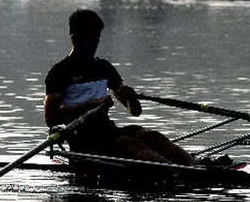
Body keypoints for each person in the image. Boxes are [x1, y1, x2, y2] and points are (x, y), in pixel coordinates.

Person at [43, 9, 194, 165]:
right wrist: (88, 106)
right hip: (83, 140)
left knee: (152, 136)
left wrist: (131, 98)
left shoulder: (103, 67)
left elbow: (135, 111)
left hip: (108, 131)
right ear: (74, 39)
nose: (94, 45)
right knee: (129, 144)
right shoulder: (59, 73)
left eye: (96, 39)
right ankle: (176, 173)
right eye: (89, 40)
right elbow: (50, 118)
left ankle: (196, 166)